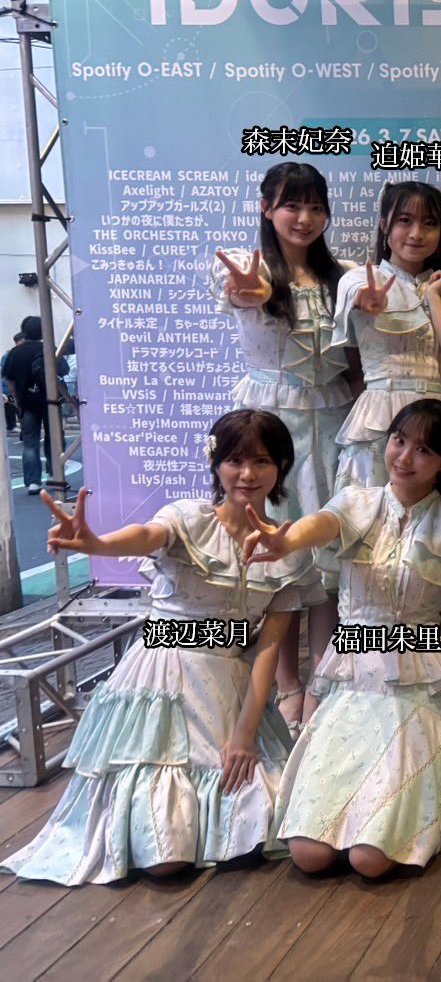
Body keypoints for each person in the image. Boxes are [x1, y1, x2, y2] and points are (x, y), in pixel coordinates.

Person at [0, 411, 313, 884]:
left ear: (282, 467)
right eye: (234, 461)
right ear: (216, 464)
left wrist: (246, 734)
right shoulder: (188, 518)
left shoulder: (287, 546)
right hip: (160, 677)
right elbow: (148, 536)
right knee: (165, 856)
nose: (247, 474)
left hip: (229, 686)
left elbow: (268, 648)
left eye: (262, 461)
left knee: (264, 817)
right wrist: (95, 544)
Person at [246, 400, 441, 877]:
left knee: (371, 858)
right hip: (352, 677)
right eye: (399, 441)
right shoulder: (356, 502)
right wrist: (287, 540)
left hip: (414, 685)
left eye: (423, 450)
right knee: (308, 854)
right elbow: (323, 524)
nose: (404, 457)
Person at [213, 161, 355, 731]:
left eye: (316, 206)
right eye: (292, 205)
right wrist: (251, 289)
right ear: (266, 208)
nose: (305, 218)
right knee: (278, 549)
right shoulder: (246, 267)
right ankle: (286, 684)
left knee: (326, 551)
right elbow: (240, 291)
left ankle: (322, 680)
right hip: (272, 425)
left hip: (336, 420)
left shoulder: (343, 276)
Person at [331, 181, 441, 491]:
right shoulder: (359, 279)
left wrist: (434, 298)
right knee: (368, 510)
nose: (416, 233)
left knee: (435, 515)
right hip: (379, 416)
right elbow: (357, 298)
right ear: (385, 225)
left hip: (437, 419)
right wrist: (365, 300)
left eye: (429, 223)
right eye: (405, 220)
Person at [3, 315, 67, 494]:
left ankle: (33, 482)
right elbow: (64, 370)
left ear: (25, 332)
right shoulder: (50, 349)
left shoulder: (15, 352)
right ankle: (55, 475)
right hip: (51, 401)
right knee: (54, 440)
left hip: (27, 404)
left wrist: (18, 399)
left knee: (30, 442)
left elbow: (10, 380)